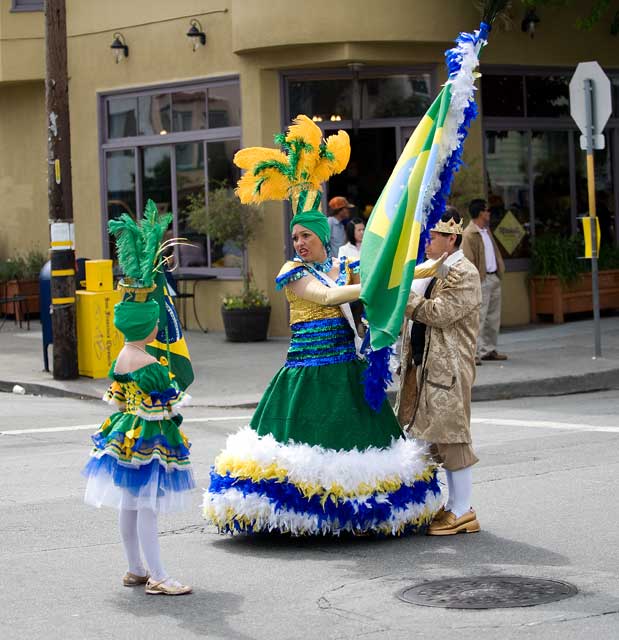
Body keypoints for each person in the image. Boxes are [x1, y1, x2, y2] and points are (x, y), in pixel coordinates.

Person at [204, 115, 443, 536]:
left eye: (305, 237)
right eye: (295, 237)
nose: (299, 243)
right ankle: (298, 517)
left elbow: (377, 280)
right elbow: (329, 298)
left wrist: (411, 271)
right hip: (306, 373)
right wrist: (371, 285)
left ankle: (359, 514)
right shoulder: (292, 270)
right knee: (300, 449)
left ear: (322, 238)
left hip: (344, 369)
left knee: (358, 446)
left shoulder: (341, 266)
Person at [82, 207, 193, 595]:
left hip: (122, 437)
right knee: (146, 507)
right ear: (148, 325)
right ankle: (159, 575)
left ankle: (135, 568)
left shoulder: (121, 359)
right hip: (149, 440)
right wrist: (177, 402)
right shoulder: (151, 364)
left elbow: (116, 399)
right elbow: (169, 406)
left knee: (130, 505)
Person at [395, 209, 482, 536]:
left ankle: (462, 509)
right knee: (420, 434)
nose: (427, 241)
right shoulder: (431, 269)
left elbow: (440, 313)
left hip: (449, 367)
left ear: (451, 238)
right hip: (423, 363)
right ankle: (424, 502)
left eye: (433, 236)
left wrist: (403, 297)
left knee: (451, 437)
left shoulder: (464, 272)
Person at [462, 198, 507, 363]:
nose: (489, 213)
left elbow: (493, 251)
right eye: (487, 210)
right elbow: (467, 259)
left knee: (493, 317)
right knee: (478, 318)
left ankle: (489, 349)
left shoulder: (486, 231)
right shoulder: (469, 234)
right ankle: (473, 353)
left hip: (493, 276)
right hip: (481, 279)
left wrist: (499, 270)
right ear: (481, 212)